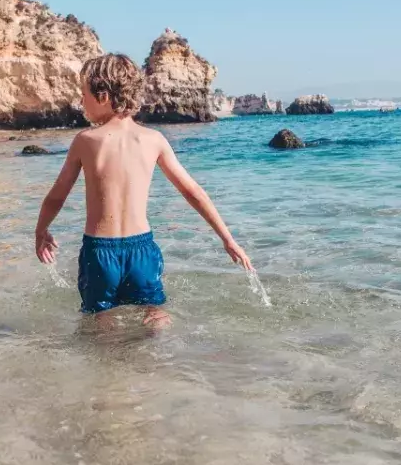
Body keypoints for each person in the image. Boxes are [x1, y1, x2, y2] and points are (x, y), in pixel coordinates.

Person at [34, 53, 251, 326]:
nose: (81, 101)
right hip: (142, 249)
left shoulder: (86, 140)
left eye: (84, 94)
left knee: (101, 321)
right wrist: (228, 239)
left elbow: (57, 196)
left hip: (100, 253)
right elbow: (192, 191)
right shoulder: (154, 139)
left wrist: (41, 230)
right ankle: (163, 350)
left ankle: (109, 354)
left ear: (103, 96)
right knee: (154, 311)